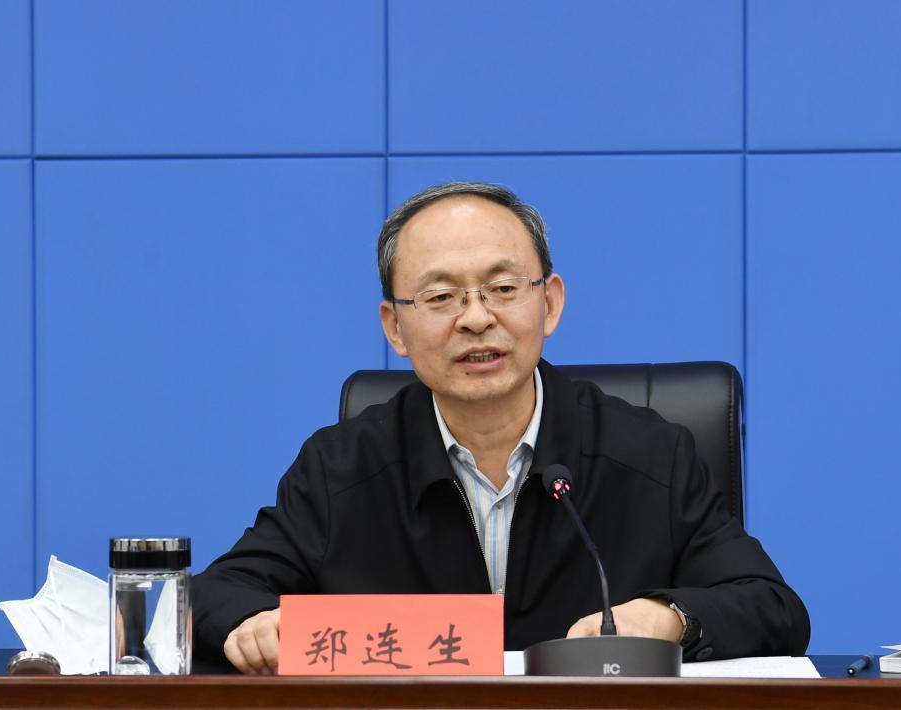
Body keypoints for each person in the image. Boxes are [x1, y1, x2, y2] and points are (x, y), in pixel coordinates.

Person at [193, 182, 811, 675]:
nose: (476, 318)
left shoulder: (650, 453)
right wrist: (255, 623)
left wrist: (668, 617)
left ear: (550, 302)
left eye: (503, 288)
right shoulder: (341, 468)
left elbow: (773, 606)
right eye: (440, 297)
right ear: (395, 327)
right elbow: (216, 593)